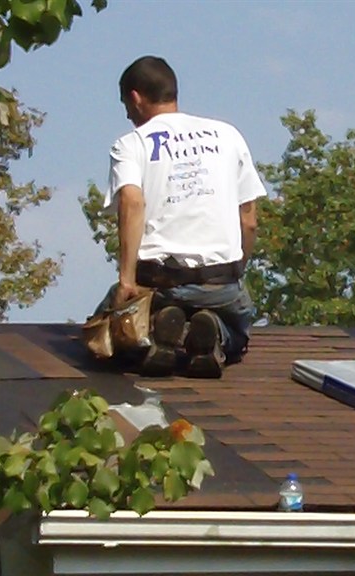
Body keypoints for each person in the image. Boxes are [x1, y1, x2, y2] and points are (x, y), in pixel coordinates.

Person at [98, 55, 266, 378]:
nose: (127, 115)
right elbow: (249, 220)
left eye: (126, 105)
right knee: (239, 332)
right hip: (220, 283)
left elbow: (132, 204)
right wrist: (234, 270)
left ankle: (162, 330)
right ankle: (214, 334)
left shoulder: (131, 144)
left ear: (135, 97)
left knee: (109, 333)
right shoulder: (227, 135)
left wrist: (127, 281)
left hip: (160, 281)